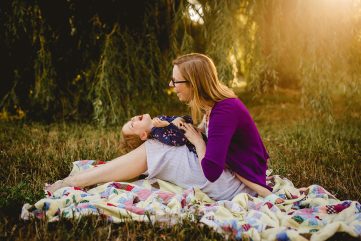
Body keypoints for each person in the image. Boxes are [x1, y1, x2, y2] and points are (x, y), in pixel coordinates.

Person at [46, 53, 281, 203]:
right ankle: (93, 176)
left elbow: (211, 170)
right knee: (157, 145)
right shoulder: (215, 107)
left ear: (194, 83)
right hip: (230, 175)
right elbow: (211, 136)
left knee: (156, 148)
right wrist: (184, 128)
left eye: (176, 81)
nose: (171, 86)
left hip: (232, 185)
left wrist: (197, 140)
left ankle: (74, 183)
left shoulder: (224, 111)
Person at [120, 113, 207, 156]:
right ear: (143, 135)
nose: (132, 118)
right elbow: (180, 140)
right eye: (132, 124)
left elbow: (187, 120)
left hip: (201, 135)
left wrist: (180, 119)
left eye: (130, 120)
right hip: (204, 148)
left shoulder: (159, 120)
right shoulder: (159, 134)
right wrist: (168, 125)